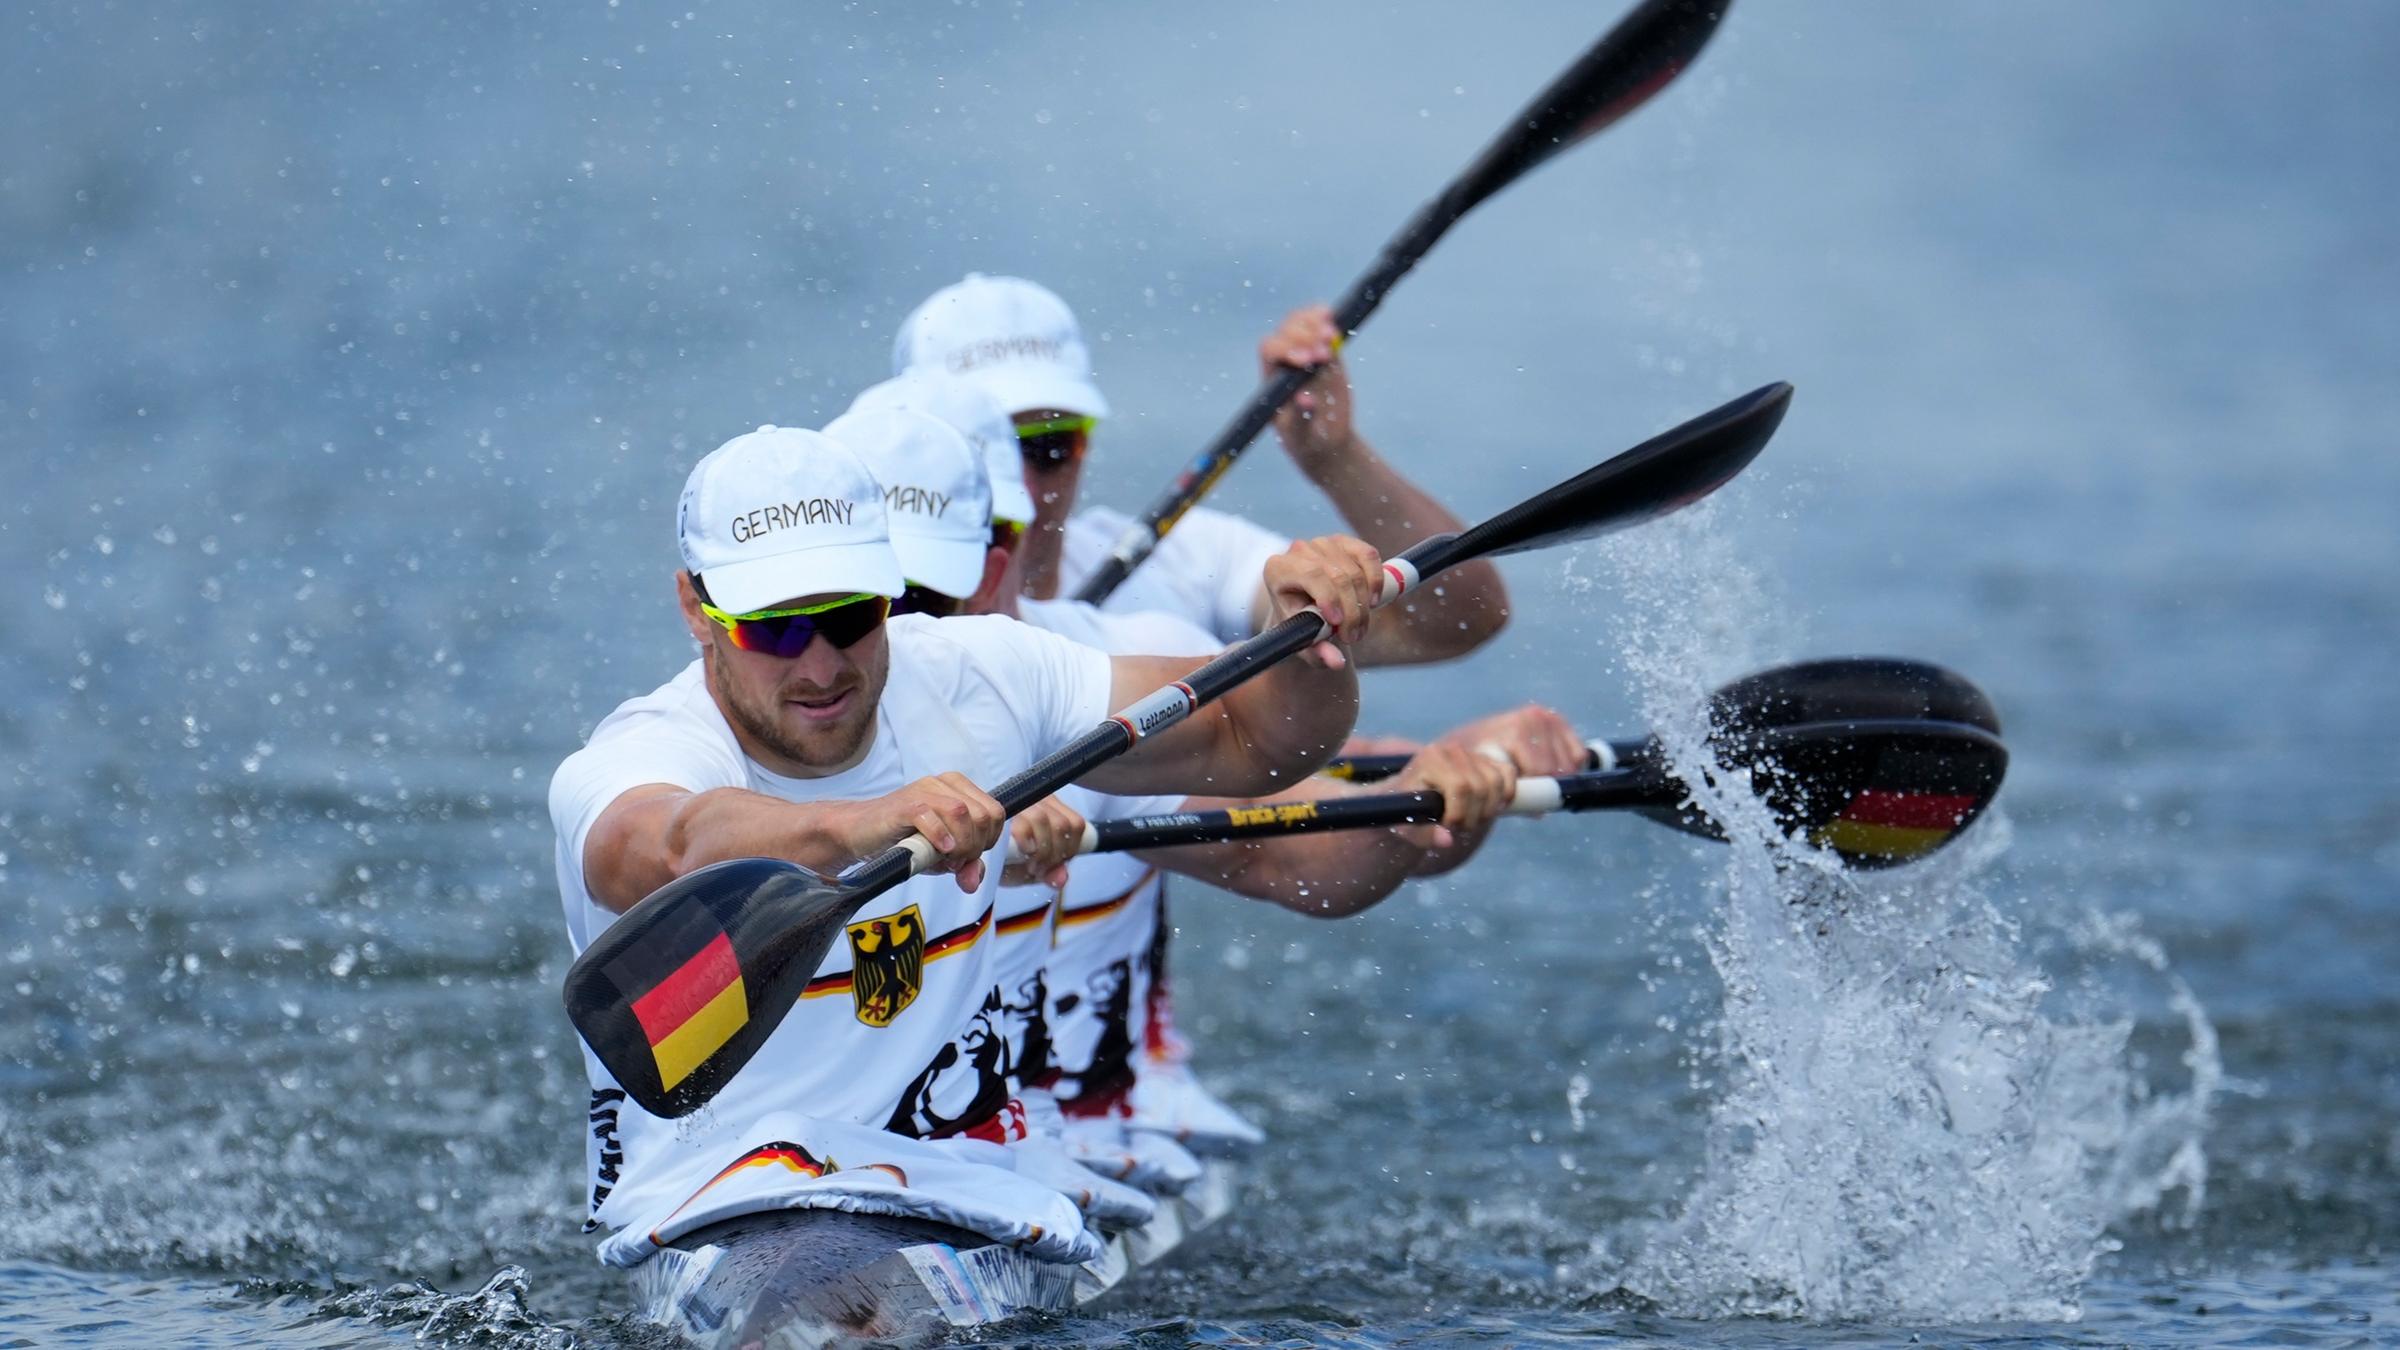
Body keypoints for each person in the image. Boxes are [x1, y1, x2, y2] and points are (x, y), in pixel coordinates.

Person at [548, 425, 1387, 1269]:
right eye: (772, 629)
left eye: (848, 614)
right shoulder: (642, 752)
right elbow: (659, 845)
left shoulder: (984, 675)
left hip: (966, 1184)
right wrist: (860, 819)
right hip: (720, 1207)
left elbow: (1256, 741)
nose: (818, 665)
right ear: (695, 608)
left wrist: (1308, 646)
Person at [822, 401, 1586, 1170]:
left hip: (1073, 1139)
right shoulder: (750, 714)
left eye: (916, 601)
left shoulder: (1075, 682)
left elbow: (1288, 856)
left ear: (993, 562)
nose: (885, 639)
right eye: (843, 610)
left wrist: (1415, 807)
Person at [890, 273, 1512, 663]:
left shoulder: (1178, 566)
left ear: (1086, 441)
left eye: (1047, 445)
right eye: (980, 447)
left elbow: (1459, 620)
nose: (1020, 487)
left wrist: (1336, 460)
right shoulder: (843, 629)